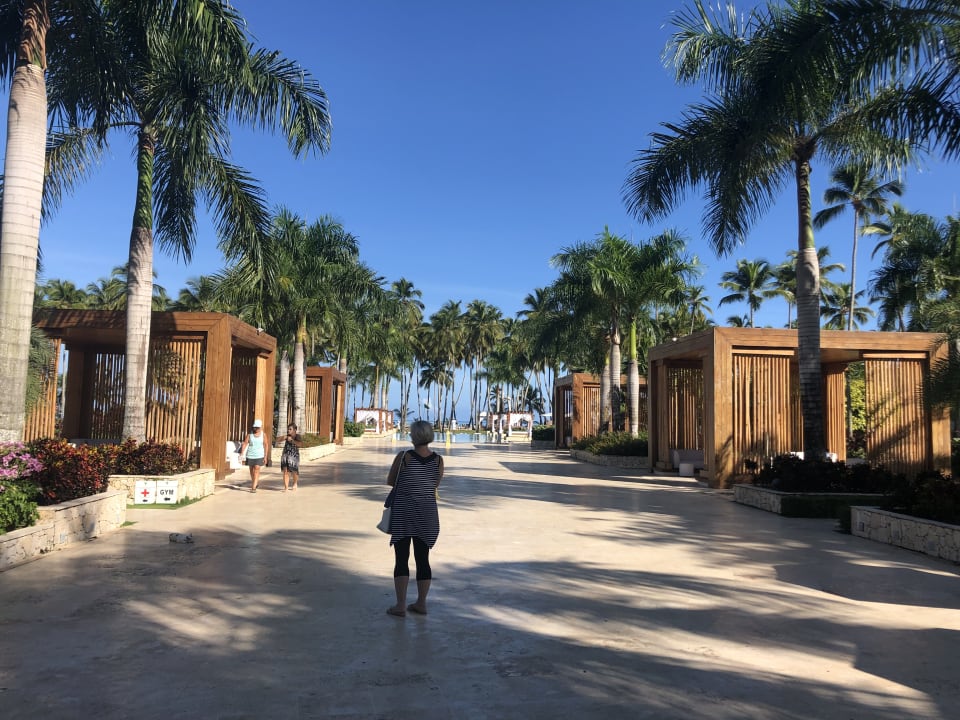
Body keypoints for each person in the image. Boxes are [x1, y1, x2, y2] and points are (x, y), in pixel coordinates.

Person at [386, 420, 443, 618]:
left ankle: (400, 605)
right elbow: (434, 484)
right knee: (423, 559)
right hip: (427, 514)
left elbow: (391, 481)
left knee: (401, 558)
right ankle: (421, 603)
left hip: (403, 513)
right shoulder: (438, 460)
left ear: (414, 436)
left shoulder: (404, 457)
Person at [239, 418, 267, 492]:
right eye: (255, 427)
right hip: (250, 454)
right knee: (251, 470)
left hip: (259, 455)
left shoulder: (263, 435)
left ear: (260, 427)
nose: (256, 429)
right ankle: (255, 482)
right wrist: (242, 453)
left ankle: (253, 487)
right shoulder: (250, 434)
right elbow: (245, 443)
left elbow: (266, 445)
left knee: (257, 469)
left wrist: (265, 456)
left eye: (257, 427)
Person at [280, 423, 303, 492]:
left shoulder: (297, 436)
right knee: (285, 471)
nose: (288, 430)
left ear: (295, 430)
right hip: (285, 455)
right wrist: (284, 437)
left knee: (294, 471)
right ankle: (286, 488)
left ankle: (295, 483)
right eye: (288, 429)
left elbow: (300, 444)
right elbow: (277, 440)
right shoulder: (287, 436)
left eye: (290, 429)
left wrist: (292, 441)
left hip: (294, 456)